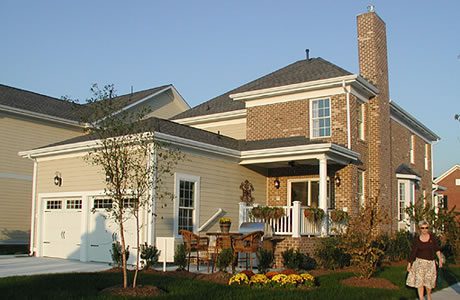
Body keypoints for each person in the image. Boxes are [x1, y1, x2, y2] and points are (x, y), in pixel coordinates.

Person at [406, 220, 443, 300]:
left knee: (428, 283)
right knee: (420, 282)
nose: (424, 230)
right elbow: (413, 252)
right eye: (422, 228)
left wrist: (440, 259)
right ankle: (421, 298)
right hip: (419, 263)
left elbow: (437, 249)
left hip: (430, 263)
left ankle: (429, 296)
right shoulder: (417, 239)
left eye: (426, 228)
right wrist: (409, 264)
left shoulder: (432, 238)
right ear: (420, 229)